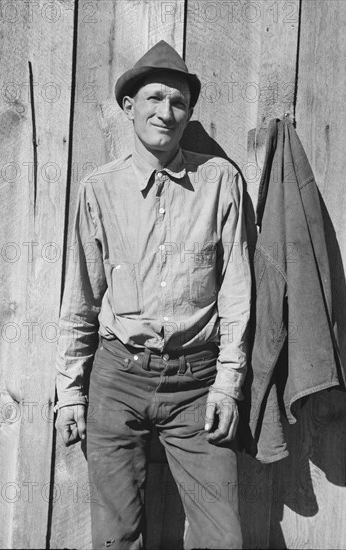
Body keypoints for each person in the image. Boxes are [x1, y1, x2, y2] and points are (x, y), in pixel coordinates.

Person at [54, 40, 251, 550]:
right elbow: (80, 300)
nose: (166, 112)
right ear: (129, 107)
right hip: (118, 379)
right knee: (115, 538)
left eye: (179, 102)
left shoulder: (220, 181)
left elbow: (237, 292)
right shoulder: (99, 189)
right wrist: (71, 393)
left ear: (189, 112)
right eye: (154, 99)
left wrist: (228, 384)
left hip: (197, 384)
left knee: (223, 539)